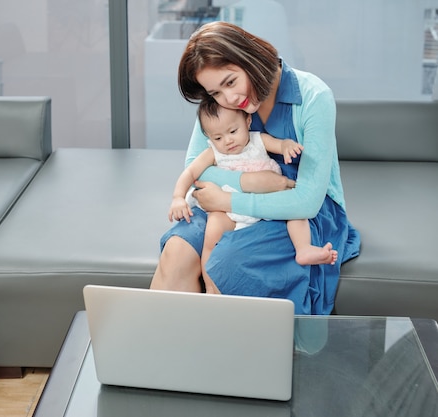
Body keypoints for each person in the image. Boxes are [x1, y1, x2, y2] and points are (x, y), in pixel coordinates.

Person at [150, 21, 360, 315]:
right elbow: (197, 167)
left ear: (250, 57)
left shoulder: (314, 96)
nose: (229, 99)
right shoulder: (222, 101)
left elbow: (307, 200)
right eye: (215, 93)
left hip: (296, 212)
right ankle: (160, 354)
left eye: (230, 82)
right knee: (177, 251)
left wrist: (231, 198)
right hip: (227, 204)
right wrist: (251, 183)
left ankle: (225, 354)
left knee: (228, 261)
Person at [168, 98, 338, 289]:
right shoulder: (213, 152)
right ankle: (210, 285)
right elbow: (190, 172)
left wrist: (288, 147)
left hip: (266, 199)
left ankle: (303, 248)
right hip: (225, 207)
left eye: (233, 131)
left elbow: (279, 145)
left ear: (247, 122)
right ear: (209, 137)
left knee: (295, 214)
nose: (228, 141)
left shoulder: (258, 140)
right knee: (212, 234)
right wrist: (177, 198)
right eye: (218, 137)